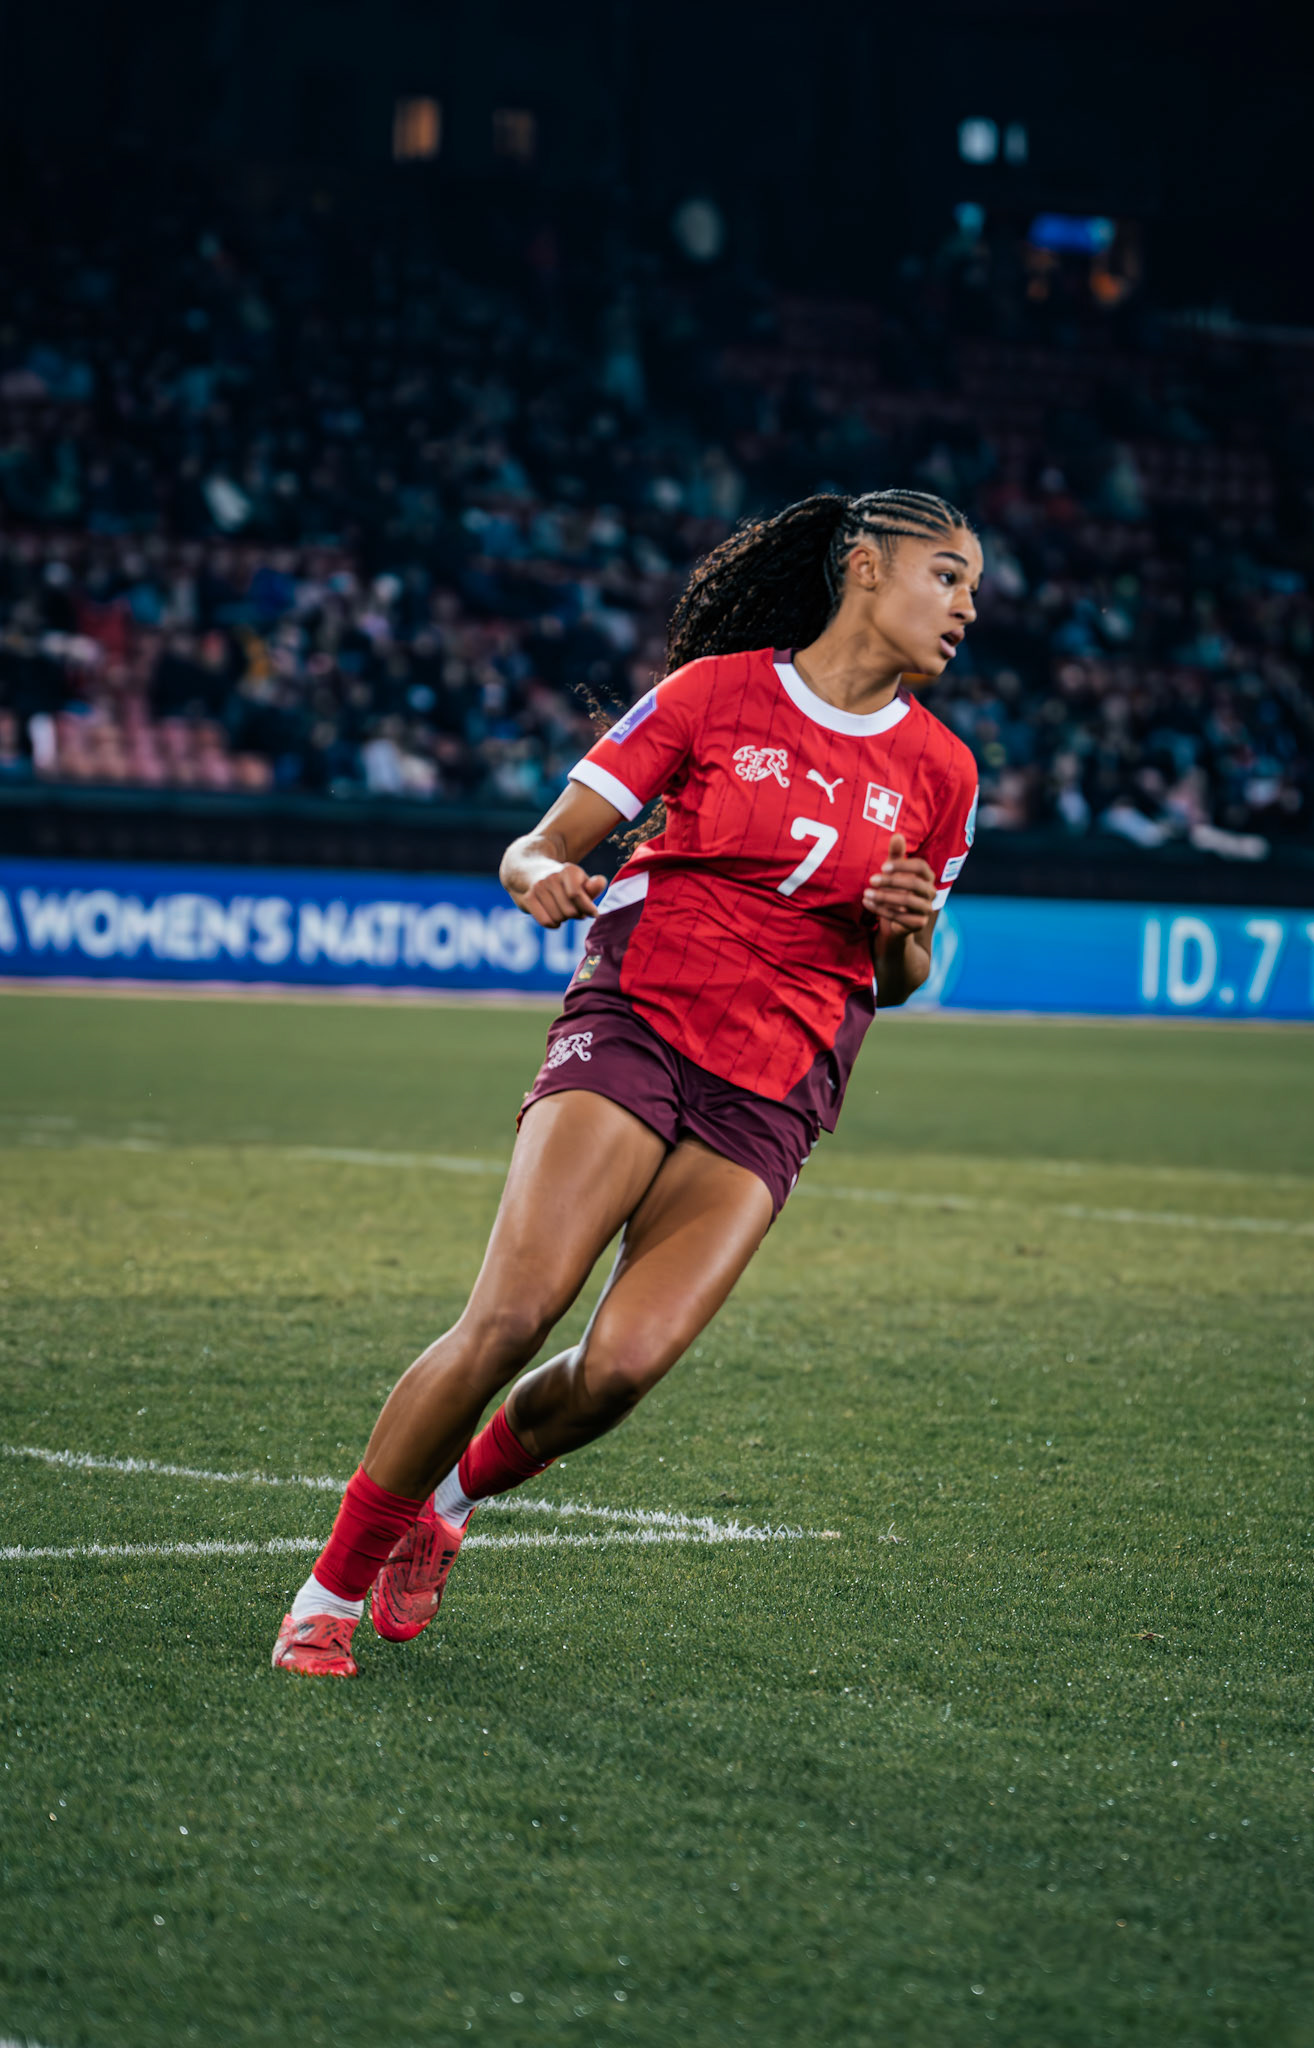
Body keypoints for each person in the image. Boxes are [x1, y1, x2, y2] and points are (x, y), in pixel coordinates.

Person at [272, 490, 982, 1677]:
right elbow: (541, 841)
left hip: (780, 1076)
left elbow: (900, 976)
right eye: (947, 576)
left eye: (973, 590)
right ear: (864, 567)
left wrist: (907, 932)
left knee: (621, 1372)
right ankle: (327, 1590)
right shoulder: (715, 694)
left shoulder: (942, 770)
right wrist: (540, 870)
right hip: (642, 1015)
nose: (966, 608)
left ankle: (453, 1494)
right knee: (512, 1313)